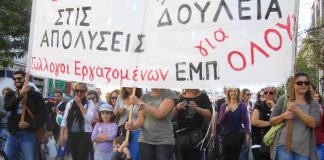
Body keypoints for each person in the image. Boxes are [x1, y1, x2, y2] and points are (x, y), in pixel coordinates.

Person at [270, 72, 320, 160]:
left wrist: (296, 109)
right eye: (299, 83)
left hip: (304, 148)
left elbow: (314, 123)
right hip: (284, 145)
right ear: (293, 85)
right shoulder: (284, 99)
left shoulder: (313, 103)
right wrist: (283, 116)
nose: (303, 85)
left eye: (306, 83)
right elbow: (272, 121)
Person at [4, 70, 48, 160]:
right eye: (14, 79)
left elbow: (44, 114)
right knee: (8, 157)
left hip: (28, 135)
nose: (16, 80)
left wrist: (29, 123)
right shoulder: (10, 94)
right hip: (12, 135)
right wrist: (20, 94)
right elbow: (7, 106)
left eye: (19, 78)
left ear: (25, 79)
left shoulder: (35, 95)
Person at [126, 88, 177, 160]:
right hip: (145, 140)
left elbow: (160, 114)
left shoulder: (169, 94)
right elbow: (140, 120)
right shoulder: (144, 97)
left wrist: (139, 102)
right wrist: (132, 126)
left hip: (164, 141)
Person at [58, 83, 95, 160]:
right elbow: (64, 119)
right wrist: (61, 135)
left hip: (84, 135)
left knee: (81, 158)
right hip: (72, 135)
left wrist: (79, 104)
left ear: (85, 92)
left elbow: (89, 118)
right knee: (74, 157)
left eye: (82, 91)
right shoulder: (70, 103)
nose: (79, 93)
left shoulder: (90, 103)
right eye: (77, 91)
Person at [173, 89, 212, 160]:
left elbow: (209, 114)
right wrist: (177, 108)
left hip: (197, 135)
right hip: (181, 135)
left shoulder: (203, 96)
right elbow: (172, 116)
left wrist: (197, 108)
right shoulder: (179, 97)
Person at [218, 87, 250, 160]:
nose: (233, 92)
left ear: (238, 93)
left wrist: (247, 135)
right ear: (228, 93)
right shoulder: (224, 105)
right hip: (226, 136)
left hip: (238, 136)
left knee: (235, 157)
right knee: (225, 157)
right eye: (231, 91)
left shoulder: (243, 105)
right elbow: (220, 121)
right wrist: (226, 112)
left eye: (235, 91)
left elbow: (245, 121)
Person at [114, 87, 142, 160]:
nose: (128, 86)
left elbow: (142, 118)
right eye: (127, 83)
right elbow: (114, 116)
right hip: (122, 131)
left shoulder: (141, 98)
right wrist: (119, 112)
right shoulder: (120, 97)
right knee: (121, 154)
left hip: (136, 131)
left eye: (131, 84)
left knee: (133, 154)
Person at [251, 87, 276, 160]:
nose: (268, 94)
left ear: (275, 95)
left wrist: (274, 107)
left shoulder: (278, 106)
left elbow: (281, 120)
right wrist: (272, 123)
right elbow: (254, 122)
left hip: (274, 142)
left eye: (271, 93)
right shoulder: (258, 106)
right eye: (266, 93)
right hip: (259, 141)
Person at [239, 88, 253, 160]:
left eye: (250, 94)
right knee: (243, 148)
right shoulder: (241, 104)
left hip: (250, 127)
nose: (249, 96)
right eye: (248, 94)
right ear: (243, 95)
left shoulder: (250, 103)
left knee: (247, 147)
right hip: (243, 128)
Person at [314, 91, 324, 160]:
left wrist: (321, 113)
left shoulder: (322, 108)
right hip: (309, 141)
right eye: (315, 97)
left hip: (320, 140)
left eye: (318, 97)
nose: (317, 98)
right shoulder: (308, 108)